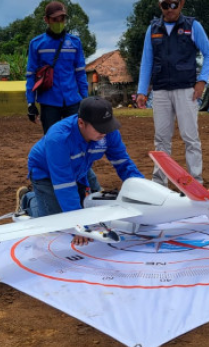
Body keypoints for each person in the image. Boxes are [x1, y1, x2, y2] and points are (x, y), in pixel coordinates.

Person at [17, 97, 144, 245]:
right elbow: (64, 184)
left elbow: (124, 163)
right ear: (81, 123)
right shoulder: (58, 138)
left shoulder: (108, 131)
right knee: (58, 224)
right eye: (99, 127)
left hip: (80, 167)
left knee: (93, 207)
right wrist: (78, 224)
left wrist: (143, 191)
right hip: (46, 172)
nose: (105, 131)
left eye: (107, 125)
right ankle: (29, 199)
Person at [135, 0, 209, 185]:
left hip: (186, 89)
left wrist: (202, 81)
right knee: (161, 139)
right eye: (165, 5)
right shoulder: (152, 29)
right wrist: (141, 91)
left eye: (174, 4)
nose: (170, 9)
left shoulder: (192, 26)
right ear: (160, 6)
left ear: (181, 4)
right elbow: (147, 61)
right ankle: (160, 183)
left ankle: (195, 181)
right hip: (161, 90)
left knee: (190, 138)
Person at [24, 0, 100, 190]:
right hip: (49, 101)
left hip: (73, 101)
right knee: (53, 141)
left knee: (79, 140)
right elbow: (31, 75)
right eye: (55, 19)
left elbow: (80, 73)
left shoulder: (75, 43)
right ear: (46, 20)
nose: (59, 22)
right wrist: (30, 103)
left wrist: (85, 99)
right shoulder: (37, 44)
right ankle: (51, 182)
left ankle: (81, 181)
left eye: (62, 18)